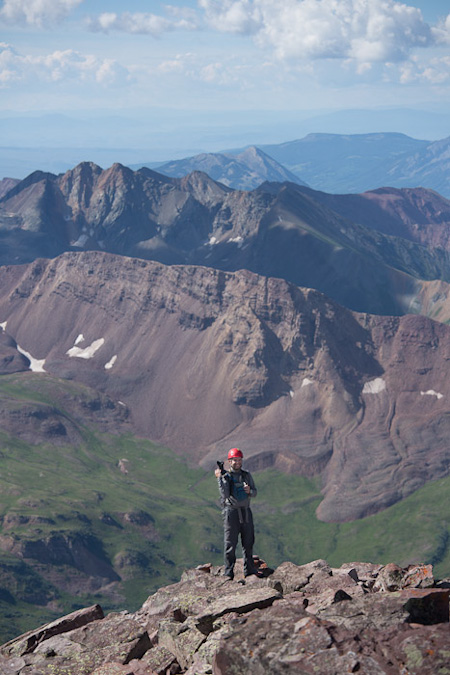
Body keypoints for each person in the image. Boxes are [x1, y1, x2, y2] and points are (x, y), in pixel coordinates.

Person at [214, 447, 260, 580]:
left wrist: (249, 491)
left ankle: (249, 570)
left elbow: (255, 492)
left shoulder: (246, 475)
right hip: (231, 513)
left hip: (246, 512)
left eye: (239, 459)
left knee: (248, 542)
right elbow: (225, 494)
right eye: (234, 460)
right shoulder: (226, 476)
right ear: (230, 461)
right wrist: (220, 479)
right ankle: (228, 572)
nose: (237, 462)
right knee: (230, 543)